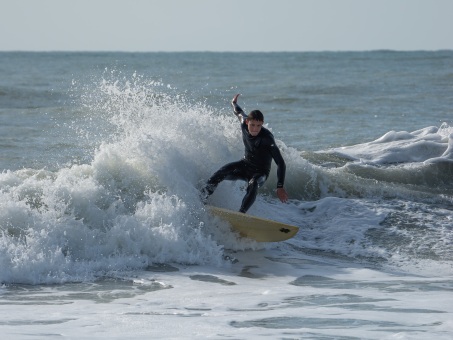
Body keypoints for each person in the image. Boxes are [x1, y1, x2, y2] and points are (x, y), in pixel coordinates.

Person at [201, 94, 289, 213]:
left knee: (253, 184)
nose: (255, 129)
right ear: (247, 121)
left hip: (260, 173)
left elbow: (281, 163)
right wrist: (233, 102)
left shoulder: (267, 138)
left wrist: (280, 187)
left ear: (262, 123)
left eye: (258, 126)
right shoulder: (243, 122)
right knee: (220, 173)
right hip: (245, 165)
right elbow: (238, 112)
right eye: (252, 125)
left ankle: (241, 214)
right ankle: (202, 199)